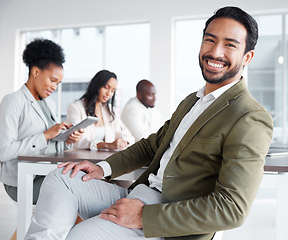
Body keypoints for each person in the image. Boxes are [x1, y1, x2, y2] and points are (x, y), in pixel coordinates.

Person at [25, 6, 274, 240]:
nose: (216, 52)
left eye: (230, 45)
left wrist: (144, 216)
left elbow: (231, 209)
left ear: (248, 56)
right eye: (210, 39)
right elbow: (153, 145)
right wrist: (103, 168)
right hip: (139, 193)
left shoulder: (249, 116)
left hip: (166, 220)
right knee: (61, 177)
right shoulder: (193, 101)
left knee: (80, 236)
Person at [0, 39, 83, 204]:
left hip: (46, 171)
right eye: (52, 80)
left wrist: (67, 140)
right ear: (36, 72)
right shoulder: (13, 101)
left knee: (84, 180)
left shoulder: (48, 103)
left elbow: (50, 145)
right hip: (22, 180)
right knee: (75, 188)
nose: (54, 87)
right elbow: (4, 151)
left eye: (58, 83)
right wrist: (45, 135)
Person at [66, 70, 135, 150]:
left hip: (104, 160)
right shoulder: (76, 107)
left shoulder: (110, 110)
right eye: (106, 87)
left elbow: (129, 137)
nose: (109, 93)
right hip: (80, 158)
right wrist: (107, 145)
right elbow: (76, 142)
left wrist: (123, 142)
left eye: (112, 91)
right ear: (96, 85)